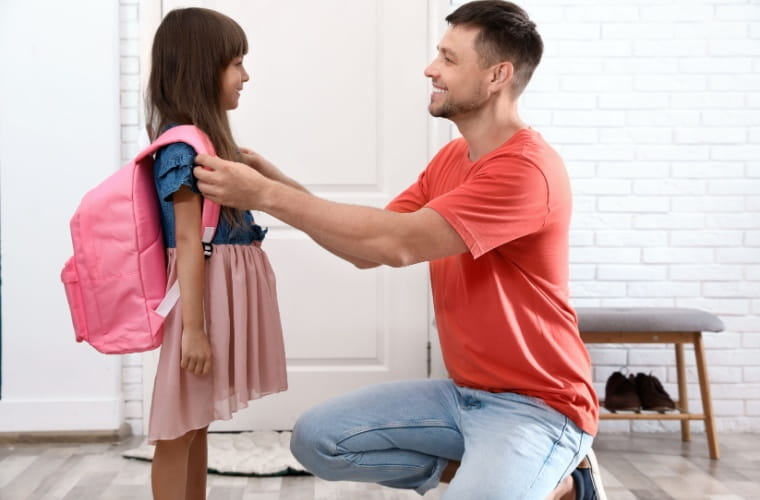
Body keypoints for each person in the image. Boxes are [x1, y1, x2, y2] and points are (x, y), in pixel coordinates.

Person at [193, 1, 605, 499]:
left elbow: (396, 244)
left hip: (541, 407)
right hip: (463, 396)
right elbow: (367, 245)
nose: (431, 69)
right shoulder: (454, 157)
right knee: (318, 440)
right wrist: (273, 182)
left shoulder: (525, 171)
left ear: (498, 75)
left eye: (449, 59)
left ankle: (564, 477)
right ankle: (540, 482)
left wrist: (264, 195)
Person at [145, 8, 288, 500]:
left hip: (212, 293)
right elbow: (188, 240)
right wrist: (195, 330)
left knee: (197, 421)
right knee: (177, 424)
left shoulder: (209, 143)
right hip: (199, 299)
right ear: (202, 68)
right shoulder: (182, 150)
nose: (245, 76)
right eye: (235, 63)